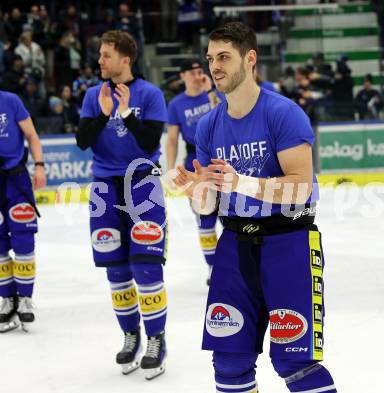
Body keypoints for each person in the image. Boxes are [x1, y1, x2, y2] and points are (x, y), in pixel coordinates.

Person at [174, 22, 337, 393]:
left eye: (224, 57)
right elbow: (211, 201)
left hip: (289, 242)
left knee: (296, 363)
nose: (215, 66)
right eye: (211, 57)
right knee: (229, 361)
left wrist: (241, 183)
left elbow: (300, 188)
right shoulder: (208, 127)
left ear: (250, 59)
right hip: (233, 245)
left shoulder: (283, 113)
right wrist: (195, 191)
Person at [75, 30, 168, 379]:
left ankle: (157, 339)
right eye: (100, 54)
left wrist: (127, 113)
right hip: (105, 191)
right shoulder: (91, 95)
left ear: (125, 59)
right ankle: (131, 336)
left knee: (146, 268)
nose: (100, 60)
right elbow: (83, 141)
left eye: (106, 55)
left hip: (143, 185)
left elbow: (149, 142)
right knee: (117, 272)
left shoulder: (151, 94)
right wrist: (101, 114)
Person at [166, 59, 221, 285]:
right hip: (195, 162)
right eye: (194, 72)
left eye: (201, 71)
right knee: (205, 219)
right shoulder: (176, 104)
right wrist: (170, 169)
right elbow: (171, 139)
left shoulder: (215, 93)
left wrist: (210, 91)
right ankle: (213, 268)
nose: (198, 75)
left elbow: (225, 115)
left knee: (233, 219)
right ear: (183, 76)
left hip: (221, 158)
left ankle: (237, 265)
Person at [0, 89, 47, 333]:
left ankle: (25, 298)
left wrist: (39, 166)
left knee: (24, 240)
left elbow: (31, 134)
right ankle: (8, 299)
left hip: (16, 179)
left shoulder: (10, 100)